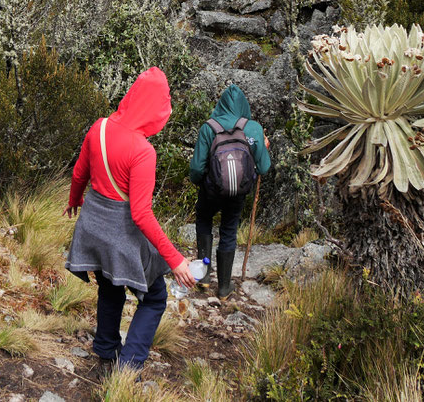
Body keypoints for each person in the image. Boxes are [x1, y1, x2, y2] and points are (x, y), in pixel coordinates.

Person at [65, 67, 196, 376]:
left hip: (92, 227)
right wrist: (175, 259)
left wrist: (74, 201)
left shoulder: (99, 127)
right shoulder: (142, 151)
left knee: (110, 288)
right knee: (155, 298)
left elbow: (79, 173)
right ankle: (129, 366)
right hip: (120, 236)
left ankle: (106, 352)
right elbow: (140, 214)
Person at [188, 84, 272, 298]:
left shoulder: (209, 127)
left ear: (221, 104)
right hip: (237, 193)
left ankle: (204, 275)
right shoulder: (253, 128)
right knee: (229, 230)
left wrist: (200, 183)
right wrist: (262, 147)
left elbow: (197, 168)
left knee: (204, 221)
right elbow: (263, 167)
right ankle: (224, 287)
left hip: (211, 191)